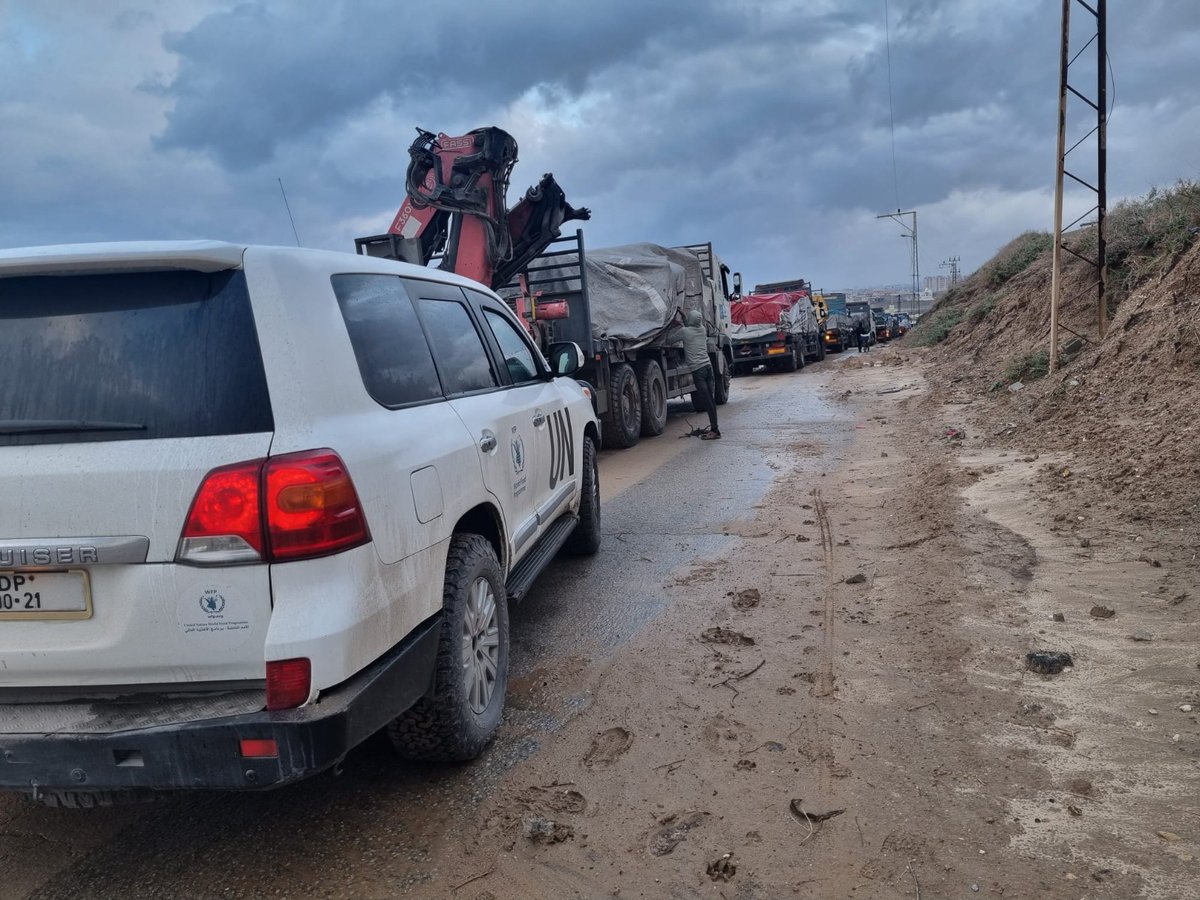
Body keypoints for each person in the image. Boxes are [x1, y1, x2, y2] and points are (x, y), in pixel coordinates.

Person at [669, 307, 720, 440]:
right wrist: (683, 315)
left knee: (707, 401)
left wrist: (674, 325)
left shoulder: (685, 332)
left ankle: (715, 431)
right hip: (708, 368)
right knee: (711, 400)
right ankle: (715, 429)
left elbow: (669, 340)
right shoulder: (702, 330)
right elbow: (690, 324)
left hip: (698, 371)